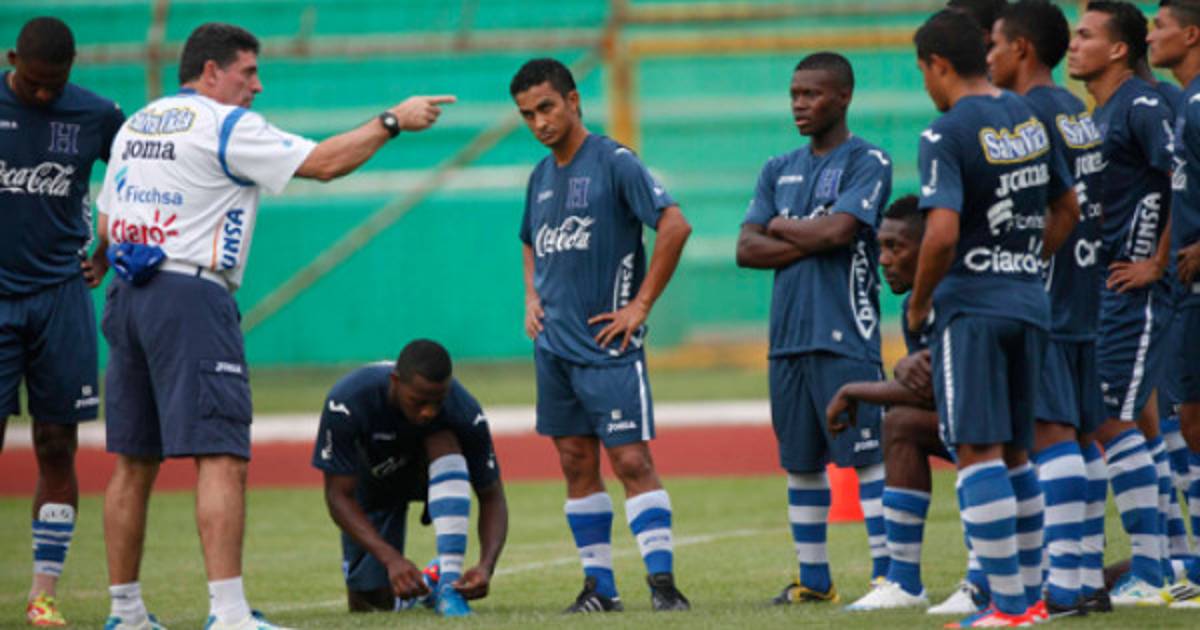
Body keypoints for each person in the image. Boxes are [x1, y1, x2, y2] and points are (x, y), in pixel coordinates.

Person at [95, 22, 456, 630]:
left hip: (127, 294)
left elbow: (107, 228)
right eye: (249, 72)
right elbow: (324, 163)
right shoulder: (224, 123)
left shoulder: (138, 123)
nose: (257, 86)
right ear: (211, 72)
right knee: (222, 457)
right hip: (191, 294)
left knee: (133, 462)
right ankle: (229, 613)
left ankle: (125, 612)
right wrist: (392, 121)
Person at [912, 8, 1079, 627]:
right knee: (1020, 451)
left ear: (938, 65)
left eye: (923, 72)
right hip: (1029, 300)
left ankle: (1006, 606)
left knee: (978, 451)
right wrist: (1024, 263)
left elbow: (940, 234)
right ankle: (1032, 599)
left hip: (973, 308)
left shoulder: (944, 132)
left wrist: (921, 301)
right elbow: (1067, 207)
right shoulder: (1025, 117)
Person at [511, 57, 693, 613]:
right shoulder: (540, 176)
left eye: (546, 107)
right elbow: (529, 241)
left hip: (608, 346)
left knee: (632, 461)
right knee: (574, 461)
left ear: (573, 101)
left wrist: (640, 305)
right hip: (554, 349)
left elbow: (675, 224)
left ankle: (663, 587)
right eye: (527, 115)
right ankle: (600, 590)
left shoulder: (614, 162)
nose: (539, 122)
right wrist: (532, 297)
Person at [735, 52, 892, 606]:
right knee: (800, 465)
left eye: (811, 94)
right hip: (787, 342)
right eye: (794, 94)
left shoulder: (867, 160)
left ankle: (889, 577)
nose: (799, 104)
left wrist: (780, 225)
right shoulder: (776, 168)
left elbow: (840, 232)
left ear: (843, 97)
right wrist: (808, 231)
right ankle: (814, 580)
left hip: (845, 334)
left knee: (868, 457)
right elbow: (745, 248)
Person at [0, 16, 124, 627]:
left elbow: (140, 179)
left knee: (56, 444)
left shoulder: (97, 115)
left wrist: (106, 250)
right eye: (33, 83)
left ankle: (42, 594)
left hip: (61, 297)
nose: (45, 93)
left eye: (56, 83)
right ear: (11, 60)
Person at [987, 0, 1108, 617]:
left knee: (1050, 434)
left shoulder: (1027, 114)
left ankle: (1061, 586)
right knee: (1082, 438)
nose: (987, 58)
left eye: (994, 45)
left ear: (1021, 49)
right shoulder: (1073, 109)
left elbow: (1042, 208)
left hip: (1050, 297)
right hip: (1086, 293)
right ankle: (1085, 576)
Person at [1067, 0, 1179, 605]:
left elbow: (1183, 179)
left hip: (1133, 291)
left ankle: (1153, 574)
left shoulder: (1141, 106)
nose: (1073, 43)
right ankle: (1172, 561)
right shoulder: (1100, 113)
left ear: (1117, 49)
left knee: (1111, 419)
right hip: (1104, 291)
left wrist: (1157, 261)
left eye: (1085, 35)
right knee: (1131, 420)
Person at [824, 195, 957, 613]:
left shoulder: (958, 295)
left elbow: (937, 388)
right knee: (900, 424)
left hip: (1020, 437)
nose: (883, 260)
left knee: (971, 426)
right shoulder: (914, 304)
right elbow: (928, 389)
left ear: (929, 247)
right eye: (881, 247)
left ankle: (987, 577)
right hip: (975, 425)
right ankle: (903, 581)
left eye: (895, 247)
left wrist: (852, 391)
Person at [311, 339, 508, 617]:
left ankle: (449, 584)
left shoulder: (463, 409)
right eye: (418, 401)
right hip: (375, 484)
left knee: (443, 437)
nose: (429, 411)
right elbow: (337, 496)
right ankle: (429, 583)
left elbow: (491, 495)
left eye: (437, 401)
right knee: (369, 604)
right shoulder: (347, 401)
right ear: (395, 382)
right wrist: (391, 559)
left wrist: (486, 566)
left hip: (430, 473)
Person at [1149, 0, 1200, 607]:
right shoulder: (1184, 102)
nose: (1150, 35)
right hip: (1185, 290)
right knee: (1189, 422)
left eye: (1160, 26)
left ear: (1191, 35)